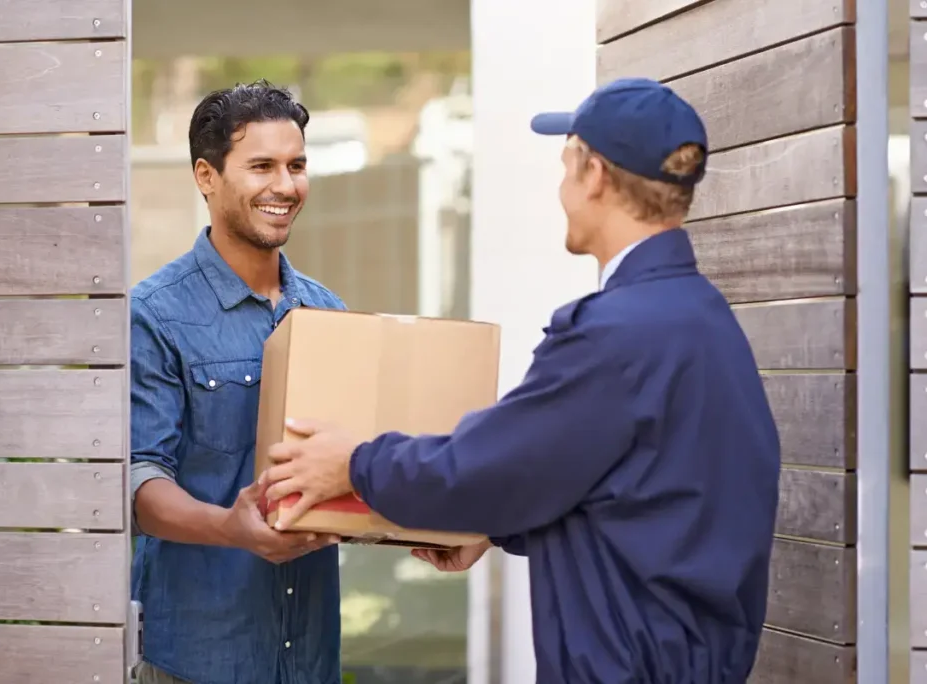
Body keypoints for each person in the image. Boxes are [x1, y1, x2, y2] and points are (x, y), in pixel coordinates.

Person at [260, 77, 782, 683]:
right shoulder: (702, 320)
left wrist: (353, 464)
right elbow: (633, 498)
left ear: (594, 175)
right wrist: (491, 523)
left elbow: (490, 465)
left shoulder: (616, 334)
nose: (561, 188)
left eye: (566, 166)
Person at [130, 81, 346, 684]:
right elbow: (140, 483)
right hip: (198, 659)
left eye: (296, 165)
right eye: (262, 166)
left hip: (309, 657)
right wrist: (231, 528)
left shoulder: (329, 313)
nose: (285, 185)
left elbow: (349, 462)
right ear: (206, 175)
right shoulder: (153, 313)